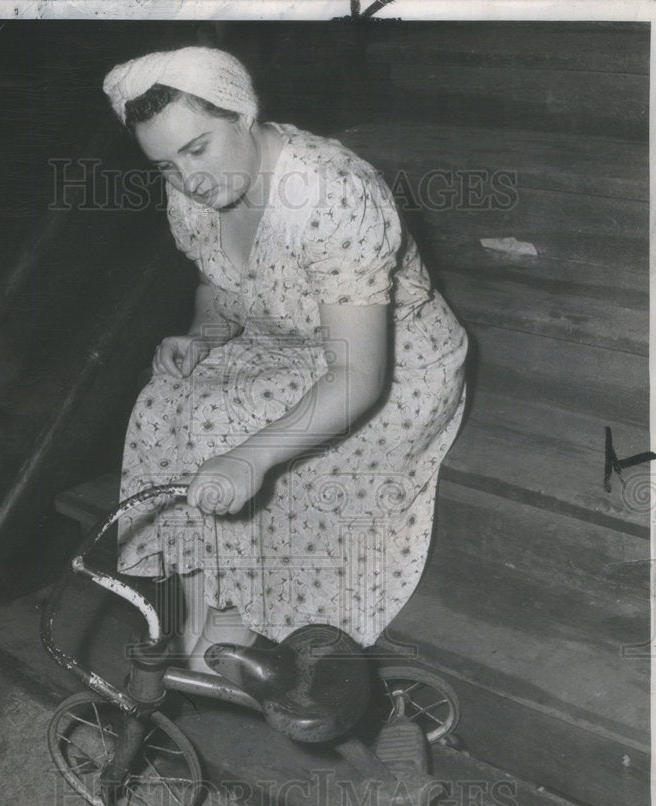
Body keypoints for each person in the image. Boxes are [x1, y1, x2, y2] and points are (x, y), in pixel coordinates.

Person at [103, 46, 467, 673]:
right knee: (159, 406)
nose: (189, 180)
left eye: (198, 148)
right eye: (165, 165)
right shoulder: (197, 192)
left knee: (225, 428)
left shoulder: (333, 195)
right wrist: (203, 334)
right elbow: (219, 284)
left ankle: (241, 623)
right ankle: (204, 604)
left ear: (244, 114)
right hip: (284, 343)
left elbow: (358, 375)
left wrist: (253, 457)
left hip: (389, 361)